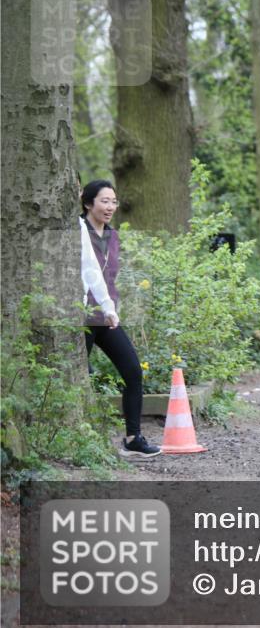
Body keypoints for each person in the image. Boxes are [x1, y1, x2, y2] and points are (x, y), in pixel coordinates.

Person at [79, 180, 161, 459]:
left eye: (113, 201)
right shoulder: (77, 232)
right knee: (80, 376)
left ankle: (133, 439)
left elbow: (110, 278)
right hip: (80, 317)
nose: (110, 207)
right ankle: (80, 440)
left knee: (133, 371)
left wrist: (113, 308)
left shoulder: (112, 236)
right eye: (104, 201)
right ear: (88, 203)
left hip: (107, 316)